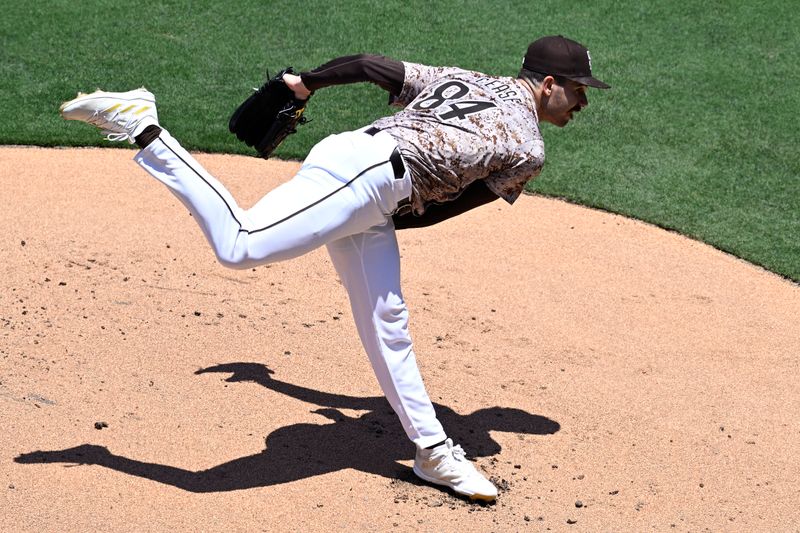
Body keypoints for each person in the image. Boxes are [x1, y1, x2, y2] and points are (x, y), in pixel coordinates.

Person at [59, 35, 609, 502]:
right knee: (240, 245)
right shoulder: (527, 147)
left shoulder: (466, 78)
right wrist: (377, 213)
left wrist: (304, 84)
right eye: (579, 89)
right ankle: (144, 127)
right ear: (547, 84)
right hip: (368, 181)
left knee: (387, 321)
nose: (582, 102)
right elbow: (450, 209)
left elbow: (373, 66)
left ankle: (434, 453)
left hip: (361, 170)